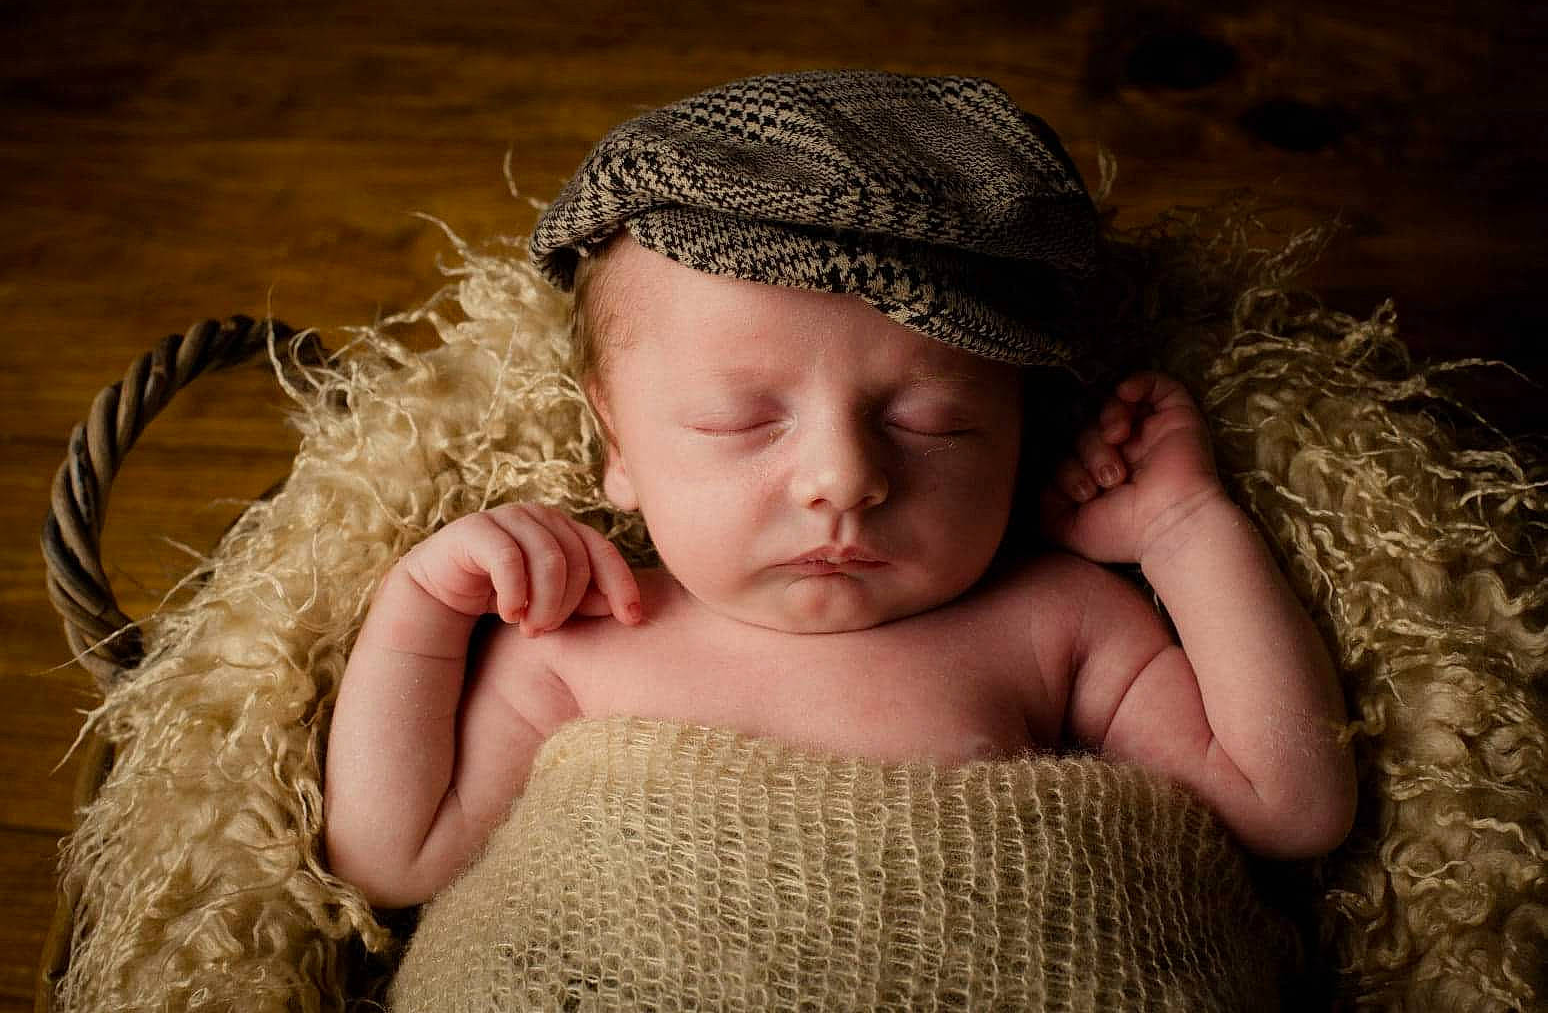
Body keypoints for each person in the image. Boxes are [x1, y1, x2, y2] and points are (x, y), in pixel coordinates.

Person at [323, 71, 1357, 909]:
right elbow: (394, 855)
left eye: (933, 422)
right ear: (616, 442)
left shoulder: (1058, 621)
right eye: (742, 420)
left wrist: (1183, 528)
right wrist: (423, 609)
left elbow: (1289, 808)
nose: (846, 479)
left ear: (1021, 430)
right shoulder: (576, 639)